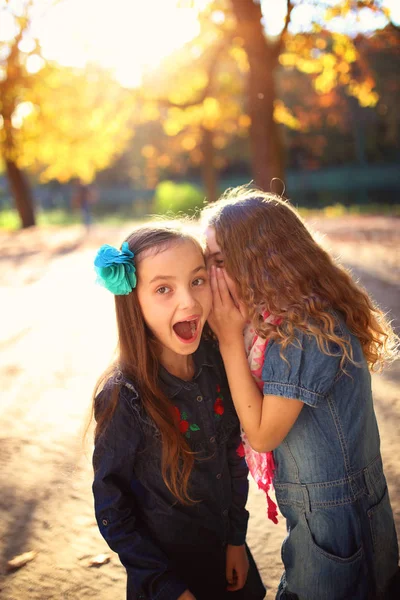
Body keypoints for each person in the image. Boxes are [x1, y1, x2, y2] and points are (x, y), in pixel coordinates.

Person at [202, 186, 400, 600]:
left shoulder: (305, 331)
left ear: (258, 259)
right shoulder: (279, 322)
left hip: (341, 531)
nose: (213, 275)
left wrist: (226, 337)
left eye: (219, 261)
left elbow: (261, 434)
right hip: (324, 521)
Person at [90, 224, 266, 600]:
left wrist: (237, 539)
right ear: (132, 300)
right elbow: (113, 509)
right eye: (164, 289)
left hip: (229, 559)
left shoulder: (218, 367)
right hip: (168, 581)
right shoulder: (124, 397)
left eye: (197, 280)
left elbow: (234, 458)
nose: (188, 302)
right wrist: (167, 587)